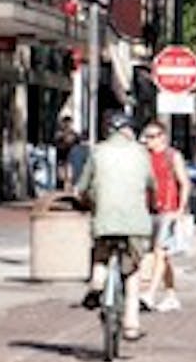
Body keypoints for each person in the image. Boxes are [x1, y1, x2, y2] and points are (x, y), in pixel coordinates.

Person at [77, 111, 155, 341]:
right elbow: (152, 184)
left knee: (101, 251)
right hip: (135, 221)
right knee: (132, 270)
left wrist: (86, 200)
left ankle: (97, 283)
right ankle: (131, 324)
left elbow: (81, 186)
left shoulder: (98, 151)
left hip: (105, 218)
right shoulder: (141, 153)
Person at [138, 120, 189, 313]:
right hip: (148, 209)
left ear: (162, 137)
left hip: (168, 209)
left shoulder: (172, 156)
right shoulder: (144, 157)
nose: (148, 141)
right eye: (146, 136)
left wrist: (180, 209)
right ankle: (171, 294)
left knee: (160, 251)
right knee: (163, 256)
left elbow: (183, 182)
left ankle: (149, 294)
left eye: (152, 136)